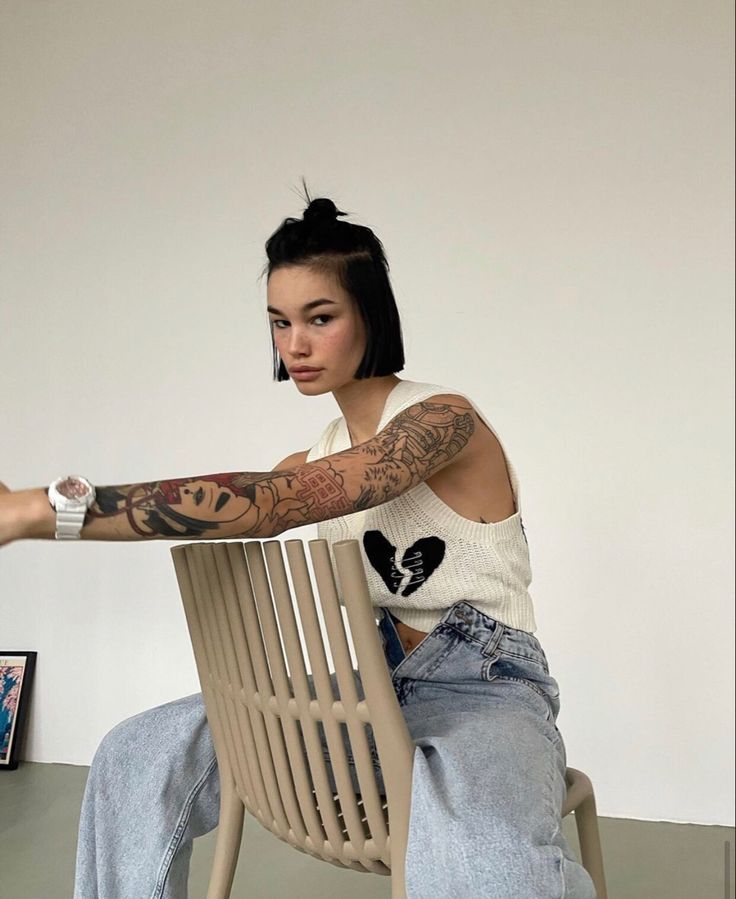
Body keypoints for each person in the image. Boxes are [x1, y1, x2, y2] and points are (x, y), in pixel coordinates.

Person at [0, 186, 597, 899]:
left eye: (320, 318)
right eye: (279, 323)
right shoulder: (316, 455)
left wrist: (39, 509)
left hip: (488, 689)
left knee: (482, 864)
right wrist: (34, 512)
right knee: (136, 754)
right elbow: (251, 502)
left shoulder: (445, 421)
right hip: (376, 687)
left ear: (369, 314)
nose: (295, 345)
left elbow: (286, 497)